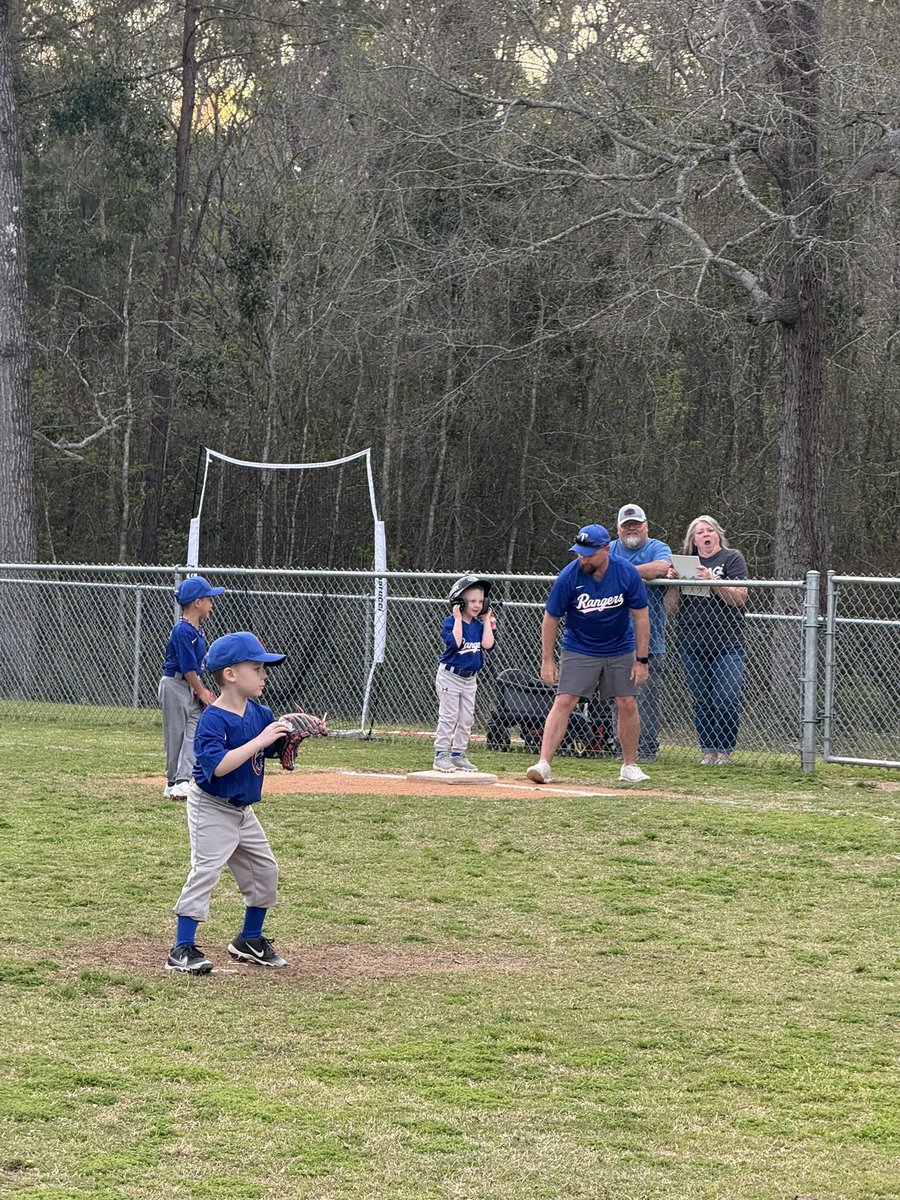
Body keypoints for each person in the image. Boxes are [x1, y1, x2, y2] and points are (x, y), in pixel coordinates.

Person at [166, 631, 293, 974]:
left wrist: (289, 737)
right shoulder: (213, 718)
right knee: (206, 871)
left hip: (242, 810)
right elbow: (219, 765)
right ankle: (181, 948)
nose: (264, 675)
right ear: (231, 674)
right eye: (257, 668)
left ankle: (249, 939)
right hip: (210, 806)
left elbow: (270, 748)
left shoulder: (260, 712)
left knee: (265, 870)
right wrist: (262, 740)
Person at [526, 525, 652, 785]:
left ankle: (629, 765)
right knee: (564, 700)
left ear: (606, 549)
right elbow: (551, 617)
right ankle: (543, 764)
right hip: (579, 646)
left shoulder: (626, 572)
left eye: (589, 554)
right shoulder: (569, 576)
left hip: (619, 646)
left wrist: (641, 660)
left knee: (627, 702)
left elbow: (641, 617)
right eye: (580, 553)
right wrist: (547, 660)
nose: (583, 559)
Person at [665, 515, 749, 765]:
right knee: (702, 699)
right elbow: (671, 608)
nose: (705, 535)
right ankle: (708, 750)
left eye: (709, 530)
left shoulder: (732, 558)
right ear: (693, 540)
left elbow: (740, 598)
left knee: (726, 697)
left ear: (718, 534)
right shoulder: (684, 563)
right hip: (691, 641)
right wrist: (672, 583)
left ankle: (724, 750)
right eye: (699, 532)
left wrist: (712, 581)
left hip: (728, 641)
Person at [609, 504, 672, 762]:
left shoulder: (656, 547)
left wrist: (622, 572)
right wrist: (641, 573)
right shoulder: (609, 549)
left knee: (646, 698)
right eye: (627, 525)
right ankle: (621, 748)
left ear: (646, 526)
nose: (631, 529)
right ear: (618, 529)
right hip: (614, 640)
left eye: (636, 524)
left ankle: (646, 749)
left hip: (649, 641)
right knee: (619, 698)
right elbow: (597, 569)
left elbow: (661, 567)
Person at [158, 574, 224, 800]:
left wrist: (199, 688)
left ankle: (183, 779)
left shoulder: (197, 630)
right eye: (209, 599)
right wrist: (202, 691)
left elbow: (197, 666)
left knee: (194, 730)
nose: (211, 605)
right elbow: (187, 667)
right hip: (175, 684)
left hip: (189, 685)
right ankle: (172, 782)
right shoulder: (182, 630)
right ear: (197, 602)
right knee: (175, 734)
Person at [433, 574, 496, 772]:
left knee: (467, 718)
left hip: (470, 679)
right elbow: (456, 643)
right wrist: (459, 618)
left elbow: (488, 644)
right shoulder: (450, 622)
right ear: (459, 602)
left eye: (481, 601)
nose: (477, 605)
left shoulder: (479, 626)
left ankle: (458, 754)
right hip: (449, 676)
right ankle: (440, 754)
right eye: (472, 601)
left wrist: (487, 620)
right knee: (449, 717)